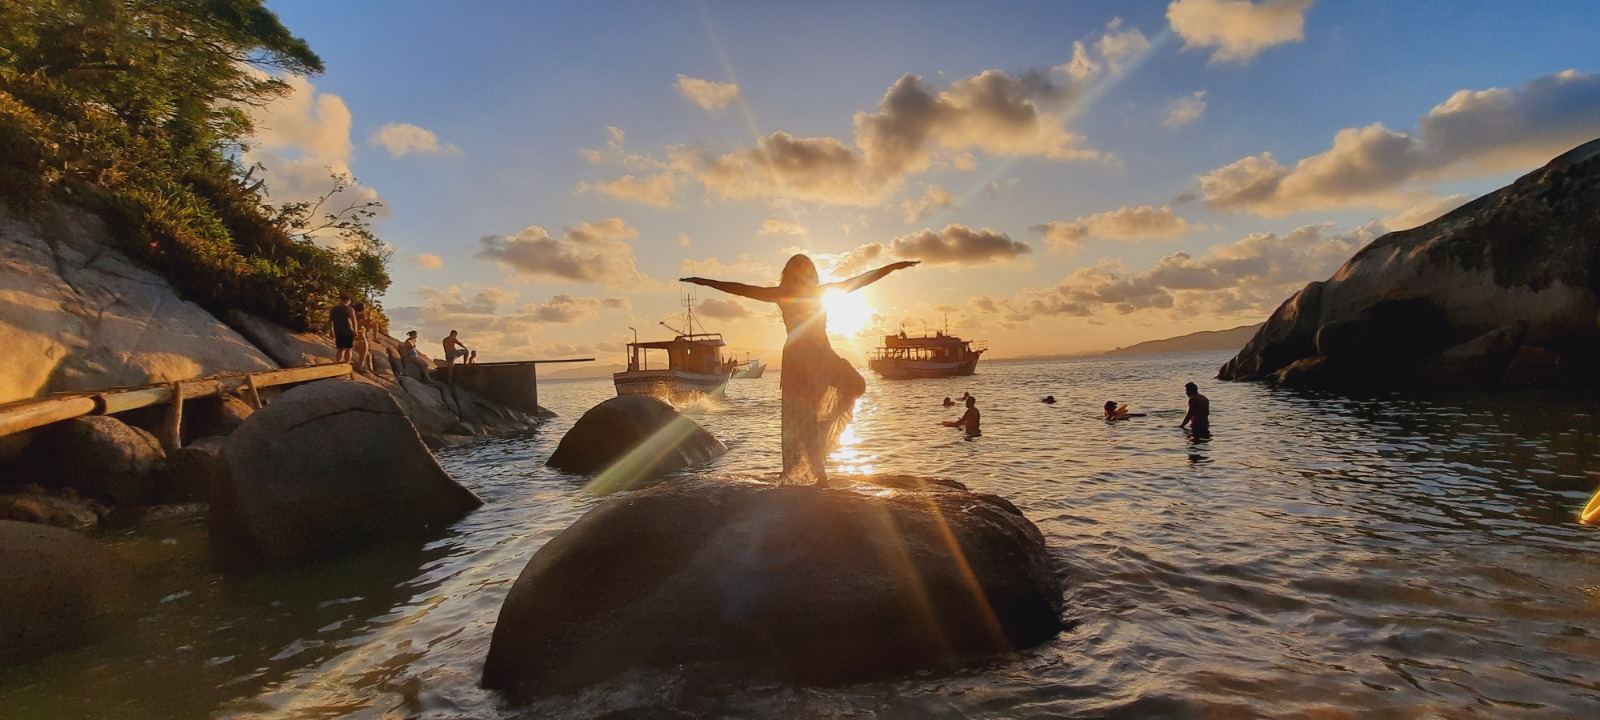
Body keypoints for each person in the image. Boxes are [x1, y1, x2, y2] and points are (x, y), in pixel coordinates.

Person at [682, 255, 918, 487]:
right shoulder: (783, 294)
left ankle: (823, 432)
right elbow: (741, 289)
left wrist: (894, 266)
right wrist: (704, 281)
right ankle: (820, 476)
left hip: (822, 354)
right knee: (806, 419)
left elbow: (862, 280)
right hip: (799, 361)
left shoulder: (819, 292)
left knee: (856, 385)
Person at [329, 296, 357, 364]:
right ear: (348, 301)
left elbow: (330, 321)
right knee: (348, 349)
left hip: (338, 331)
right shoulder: (349, 309)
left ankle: (337, 362)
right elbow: (354, 321)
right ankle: (347, 363)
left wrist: (331, 331)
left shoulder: (333, 309)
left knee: (341, 349)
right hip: (348, 330)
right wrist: (355, 331)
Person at [351, 301, 375, 373]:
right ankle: (360, 368)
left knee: (368, 356)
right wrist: (369, 317)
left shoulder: (353, 315)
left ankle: (371, 370)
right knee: (362, 357)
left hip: (354, 339)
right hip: (361, 340)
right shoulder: (361, 318)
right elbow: (369, 324)